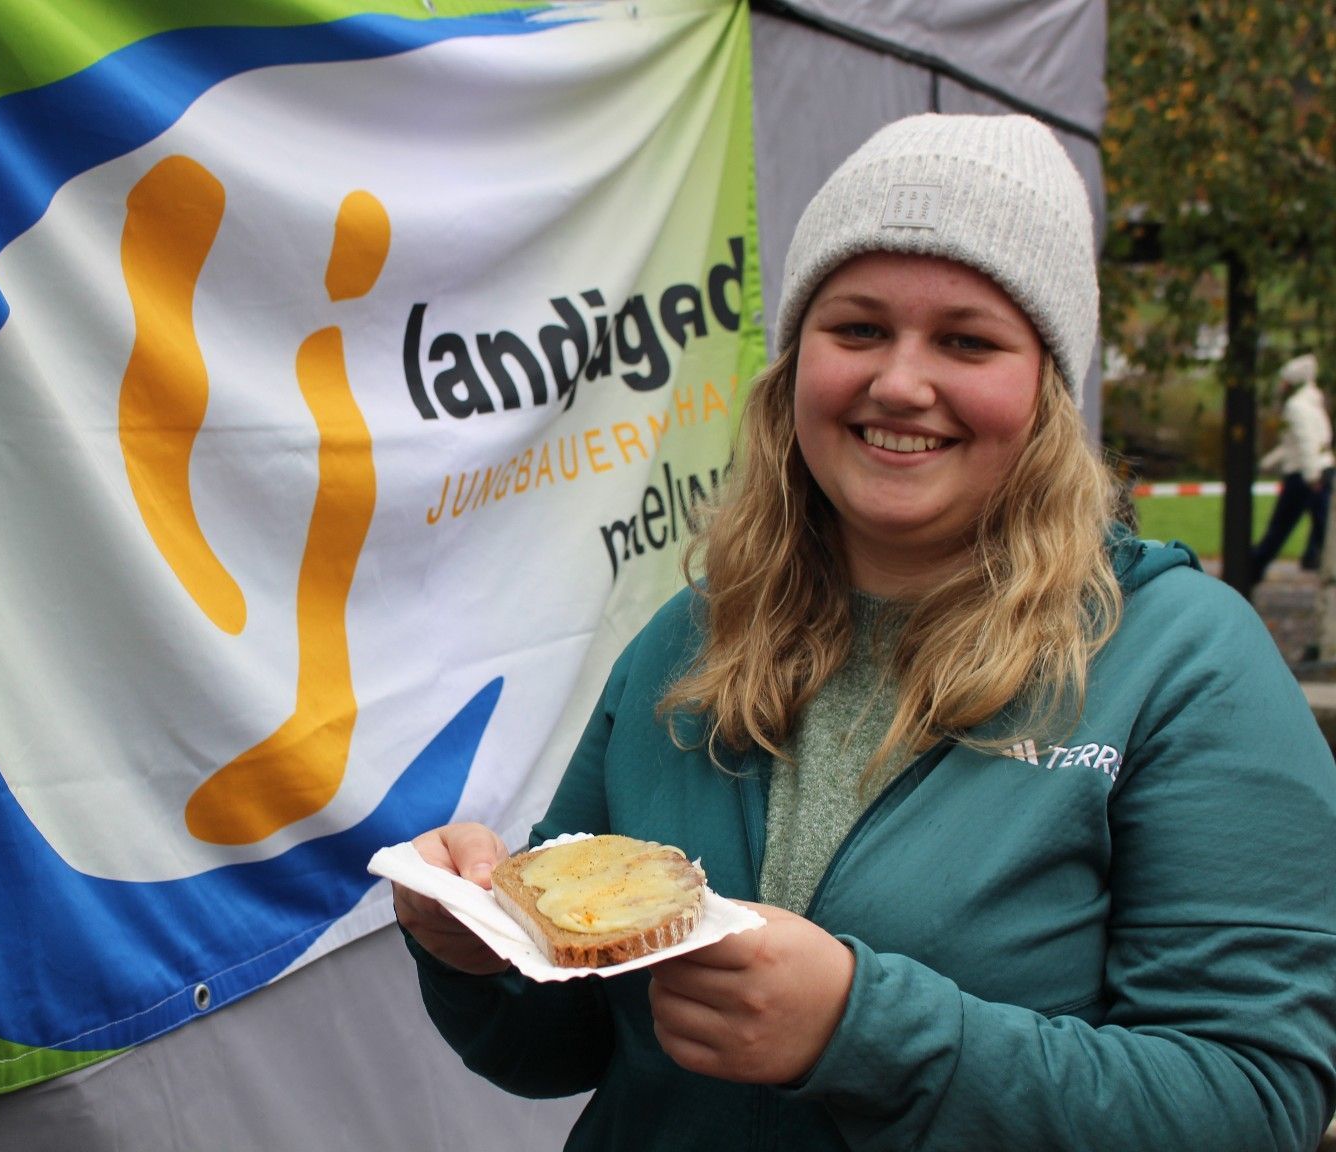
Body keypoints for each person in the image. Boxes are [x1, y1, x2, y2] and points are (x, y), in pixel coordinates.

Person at [391, 113, 1336, 1151]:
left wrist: (862, 1032)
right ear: (797, 361)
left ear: (1050, 390)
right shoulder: (694, 636)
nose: (899, 381)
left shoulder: (1182, 664)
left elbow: (1252, 1100)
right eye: (858, 328)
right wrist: (473, 947)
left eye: (968, 340)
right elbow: (560, 1046)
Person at [1253, 352, 1334, 577]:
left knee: (1280, 529)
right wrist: (1267, 463)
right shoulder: (1314, 403)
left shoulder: (1296, 407)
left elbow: (1307, 443)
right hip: (1319, 471)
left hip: (1305, 475)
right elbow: (1296, 445)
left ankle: (1251, 570)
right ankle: (1311, 559)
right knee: (1323, 528)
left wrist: (1311, 477)